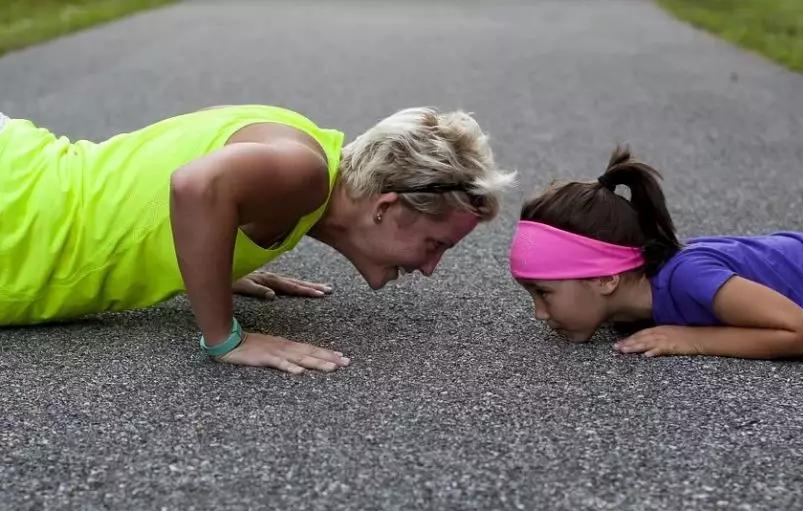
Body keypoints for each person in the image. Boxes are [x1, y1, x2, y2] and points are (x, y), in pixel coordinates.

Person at [0, 105, 514, 373]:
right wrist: (225, 337)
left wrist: (213, 260)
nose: (430, 268)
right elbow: (196, 186)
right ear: (386, 207)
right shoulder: (305, 173)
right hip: (18, 215)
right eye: (435, 244)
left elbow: (172, 181)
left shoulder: (305, 153)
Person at [508, 145, 803, 360]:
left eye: (544, 293)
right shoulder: (638, 303)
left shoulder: (689, 277)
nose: (539, 312)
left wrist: (694, 339)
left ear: (606, 278)